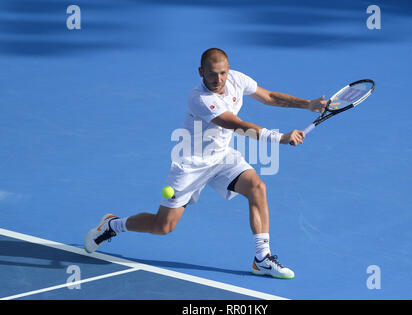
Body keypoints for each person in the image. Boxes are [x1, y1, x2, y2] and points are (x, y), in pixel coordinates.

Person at [84, 48, 328, 279]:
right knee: (163, 226)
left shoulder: (237, 79)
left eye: (222, 73)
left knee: (257, 188)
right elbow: (235, 124)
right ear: (201, 72)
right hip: (190, 165)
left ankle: (262, 259)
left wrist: (307, 104)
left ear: (229, 70)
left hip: (222, 157)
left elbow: (269, 96)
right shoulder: (198, 98)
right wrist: (279, 138)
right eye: (211, 73)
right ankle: (113, 224)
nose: (218, 78)